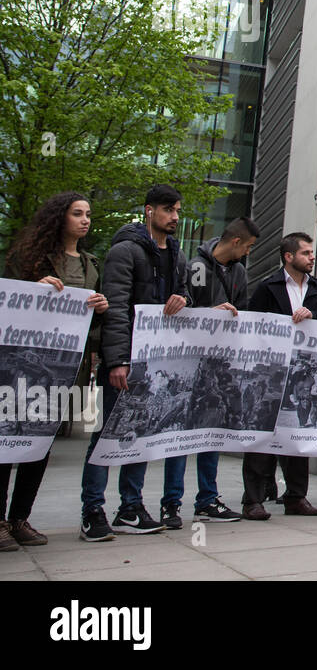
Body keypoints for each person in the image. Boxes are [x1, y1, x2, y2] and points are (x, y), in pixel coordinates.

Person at [81, 184, 205, 540]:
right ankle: (92, 510)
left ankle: (130, 507)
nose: (176, 217)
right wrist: (117, 360)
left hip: (156, 365)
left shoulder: (178, 256)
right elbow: (115, 308)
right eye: (169, 210)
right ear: (150, 211)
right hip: (125, 361)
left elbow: (187, 299)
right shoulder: (125, 251)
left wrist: (183, 297)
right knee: (106, 435)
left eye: (178, 210)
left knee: (142, 434)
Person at [1, 193, 109, 549]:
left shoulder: (92, 264)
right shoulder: (29, 258)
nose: (85, 220)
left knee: (40, 441)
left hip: (65, 369)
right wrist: (35, 290)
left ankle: (19, 519)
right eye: (77, 213)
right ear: (58, 217)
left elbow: (91, 325)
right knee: (8, 440)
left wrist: (100, 307)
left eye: (88, 214)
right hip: (23, 365)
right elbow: (9, 302)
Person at [161, 217, 261, 528]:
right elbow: (184, 309)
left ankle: (207, 499)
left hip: (219, 364)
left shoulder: (240, 273)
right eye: (247, 246)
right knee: (181, 435)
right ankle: (171, 503)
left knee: (212, 432)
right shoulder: (196, 267)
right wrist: (210, 314)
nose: (247, 253)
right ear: (235, 242)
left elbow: (240, 310)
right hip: (191, 360)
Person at [242, 233, 317, 519]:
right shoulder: (268, 287)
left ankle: (296, 496)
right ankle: (253, 500)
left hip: (304, 373)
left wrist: (314, 316)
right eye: (306, 253)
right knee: (262, 436)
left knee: (297, 434)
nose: (312, 257)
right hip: (272, 374)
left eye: (311, 252)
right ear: (288, 256)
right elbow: (252, 326)